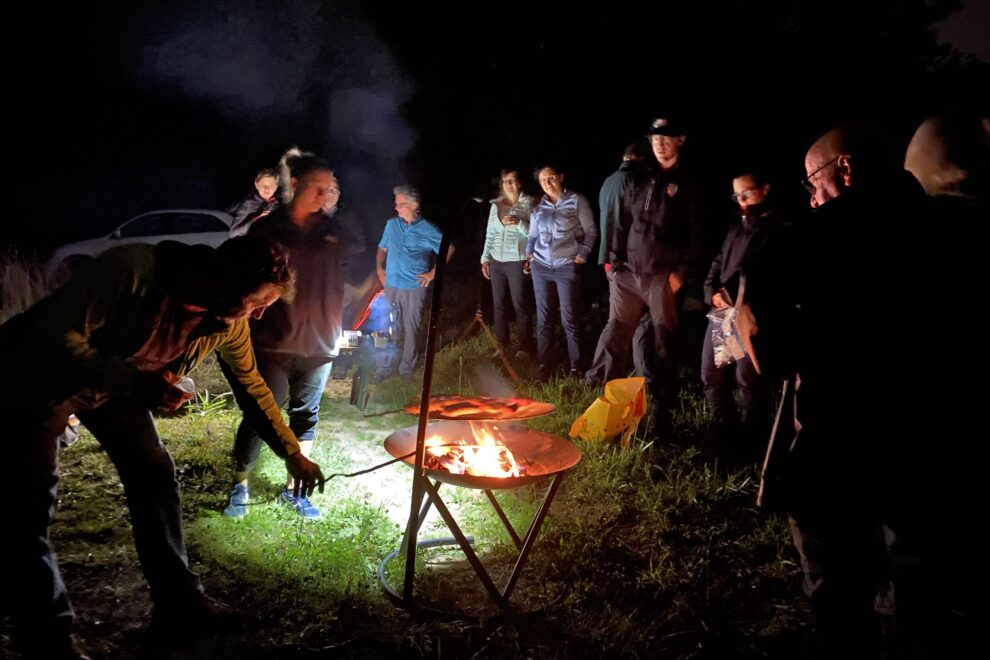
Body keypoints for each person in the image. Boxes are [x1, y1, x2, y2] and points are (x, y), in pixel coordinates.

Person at [0, 236, 325, 659]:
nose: (260, 315)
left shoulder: (228, 322)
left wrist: (291, 452)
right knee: (27, 503)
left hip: (114, 388)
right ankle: (47, 641)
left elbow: (252, 387)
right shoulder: (134, 271)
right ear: (227, 283)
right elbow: (54, 337)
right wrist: (135, 382)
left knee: (154, 475)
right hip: (39, 378)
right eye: (255, 303)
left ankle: (181, 604)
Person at [740, 121, 929, 657]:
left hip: (838, 436)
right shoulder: (947, 226)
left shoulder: (810, 237)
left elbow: (763, 337)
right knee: (920, 570)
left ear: (844, 168)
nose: (811, 195)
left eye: (812, 180)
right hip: (930, 434)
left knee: (839, 576)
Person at [222, 152, 348, 520]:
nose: (323, 195)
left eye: (328, 189)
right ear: (294, 185)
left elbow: (346, 282)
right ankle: (239, 484)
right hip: (274, 340)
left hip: (320, 342)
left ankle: (297, 489)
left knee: (306, 415)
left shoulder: (335, 233)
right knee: (263, 412)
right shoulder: (268, 229)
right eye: (316, 187)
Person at [600, 117, 704, 437]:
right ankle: (609, 413)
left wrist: (681, 274)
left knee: (662, 347)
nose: (659, 143)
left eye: (666, 137)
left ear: (680, 140)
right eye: (654, 138)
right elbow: (622, 221)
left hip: (662, 278)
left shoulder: (689, 184)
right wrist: (614, 264)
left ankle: (661, 417)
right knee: (615, 339)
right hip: (628, 275)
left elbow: (697, 234)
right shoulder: (640, 177)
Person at [700, 168, 785, 463]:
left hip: (751, 318)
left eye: (746, 194)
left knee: (748, 381)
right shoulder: (739, 225)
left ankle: (752, 443)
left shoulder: (778, 228)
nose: (742, 201)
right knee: (713, 374)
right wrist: (711, 290)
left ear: (765, 189)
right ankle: (723, 429)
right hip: (724, 314)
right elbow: (719, 261)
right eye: (736, 196)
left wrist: (740, 297)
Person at [585, 141, 654, 386]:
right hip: (630, 262)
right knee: (636, 322)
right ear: (642, 159)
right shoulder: (639, 181)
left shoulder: (608, 182)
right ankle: (639, 376)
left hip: (610, 260)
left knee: (621, 320)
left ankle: (603, 376)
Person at [525, 164, 597, 380]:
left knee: (569, 318)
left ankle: (576, 365)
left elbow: (591, 231)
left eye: (551, 178)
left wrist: (582, 255)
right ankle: (544, 364)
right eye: (542, 180)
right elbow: (532, 236)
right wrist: (529, 254)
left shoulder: (577, 200)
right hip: (541, 267)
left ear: (561, 177)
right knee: (544, 317)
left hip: (566, 266)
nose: (547, 183)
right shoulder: (539, 207)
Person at [376, 185, 454, 380]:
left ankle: (406, 369)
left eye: (401, 204)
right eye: (396, 204)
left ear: (414, 205)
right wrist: (379, 269)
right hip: (391, 284)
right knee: (385, 327)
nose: (396, 208)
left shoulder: (427, 229)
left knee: (411, 328)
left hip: (414, 286)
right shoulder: (391, 225)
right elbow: (382, 248)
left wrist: (433, 273)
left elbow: (449, 248)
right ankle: (383, 368)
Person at [480, 169, 535, 358]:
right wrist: (485, 258)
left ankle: (525, 346)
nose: (508, 184)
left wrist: (519, 223)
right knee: (499, 304)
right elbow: (490, 233)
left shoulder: (529, 205)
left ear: (519, 183)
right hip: (496, 261)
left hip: (516, 260)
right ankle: (502, 344)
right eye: (505, 181)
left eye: (511, 180)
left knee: (520, 303)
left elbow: (535, 234)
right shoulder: (496, 205)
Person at [228, 168, 279, 237]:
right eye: (263, 184)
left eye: (271, 185)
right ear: (256, 184)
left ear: (276, 187)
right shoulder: (248, 204)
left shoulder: (278, 202)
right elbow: (233, 233)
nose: (267, 189)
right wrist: (256, 219)